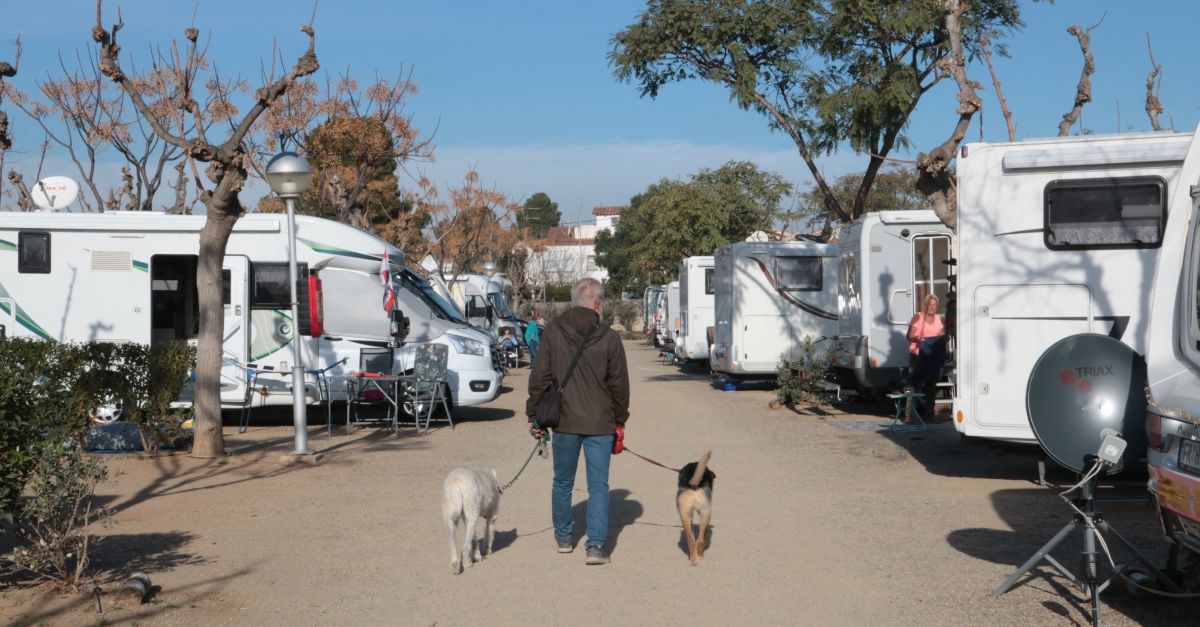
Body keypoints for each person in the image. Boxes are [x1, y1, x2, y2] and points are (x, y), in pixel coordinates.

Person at [526, 278, 630, 565]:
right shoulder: (609, 337)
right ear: (597, 302)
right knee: (598, 485)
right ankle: (595, 546)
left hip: (565, 421)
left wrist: (533, 412)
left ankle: (563, 538)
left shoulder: (554, 331)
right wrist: (620, 419)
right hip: (600, 422)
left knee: (562, 482)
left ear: (575, 300)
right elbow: (620, 385)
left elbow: (540, 375)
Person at [906, 294, 947, 422]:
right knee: (915, 384)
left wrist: (943, 337)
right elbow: (909, 336)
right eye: (929, 305)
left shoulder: (938, 319)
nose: (932, 307)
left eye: (934, 305)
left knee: (931, 386)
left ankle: (930, 415)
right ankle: (911, 415)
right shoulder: (918, 317)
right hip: (917, 355)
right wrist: (917, 338)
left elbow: (941, 335)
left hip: (931, 357)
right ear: (925, 306)